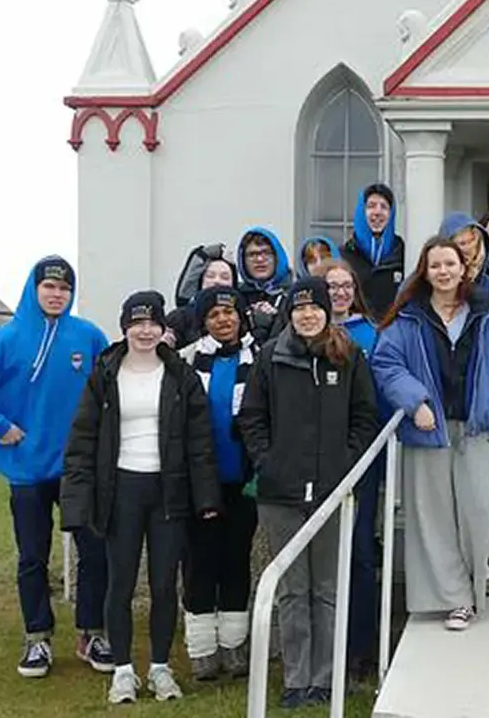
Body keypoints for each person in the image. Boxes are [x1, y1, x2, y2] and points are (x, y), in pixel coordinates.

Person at [0, 256, 113, 678]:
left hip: (77, 468)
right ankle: (37, 638)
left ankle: (92, 633)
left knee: (95, 552)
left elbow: (112, 386)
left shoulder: (88, 336)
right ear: (34, 289)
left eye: (65, 289)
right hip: (25, 469)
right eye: (50, 288)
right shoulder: (5, 341)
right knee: (32, 557)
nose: (57, 295)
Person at [61, 291, 221, 705]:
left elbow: (200, 442)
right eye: (137, 324)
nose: (145, 331)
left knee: (165, 584)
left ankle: (161, 668)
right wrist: (78, 500)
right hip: (121, 490)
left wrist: (205, 497)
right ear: (125, 328)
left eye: (152, 323)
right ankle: (123, 671)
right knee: (120, 583)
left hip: (168, 490)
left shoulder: (181, 376)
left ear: (163, 328)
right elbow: (82, 440)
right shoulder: (105, 374)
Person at [237, 277, 380, 708]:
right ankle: (297, 680)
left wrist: (345, 463)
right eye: (299, 308)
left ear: (326, 310)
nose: (307, 315)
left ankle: (326, 678)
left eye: (314, 307)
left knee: (327, 588)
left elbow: (364, 415)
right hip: (281, 494)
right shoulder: (270, 357)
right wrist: (268, 461)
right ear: (290, 312)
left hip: (334, 492)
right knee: (292, 590)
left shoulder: (348, 356)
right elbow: (252, 418)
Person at [371, 237, 489, 631]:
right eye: (435, 265)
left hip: (474, 428)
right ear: (426, 270)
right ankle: (455, 599)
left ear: (462, 268)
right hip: (428, 430)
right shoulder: (408, 318)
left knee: (482, 511)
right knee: (433, 517)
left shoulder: (484, 314)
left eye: (449, 264)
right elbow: (387, 364)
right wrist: (415, 401)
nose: (443, 272)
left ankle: (475, 580)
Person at [177, 286, 260, 681]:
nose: (223, 320)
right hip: (199, 480)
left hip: (242, 479)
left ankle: (233, 645)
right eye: (214, 315)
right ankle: (202, 649)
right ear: (203, 321)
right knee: (199, 561)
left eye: (229, 313)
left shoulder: (258, 358)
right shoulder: (188, 362)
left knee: (236, 560)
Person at [439, 211, 489, 573]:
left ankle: (483, 562)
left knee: (487, 495)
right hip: (440, 413)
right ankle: (455, 573)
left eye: (474, 247)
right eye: (461, 246)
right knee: (445, 501)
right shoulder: (424, 294)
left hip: (481, 411)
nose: (468, 255)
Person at [321, 257, 384, 676]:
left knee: (360, 551)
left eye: (346, 286)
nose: (340, 292)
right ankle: (322, 645)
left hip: (363, 458)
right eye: (332, 286)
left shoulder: (373, 334)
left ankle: (360, 646)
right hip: (315, 459)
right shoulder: (304, 332)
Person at [340, 183, 405, 321]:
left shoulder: (403, 254)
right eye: (371, 206)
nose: (377, 212)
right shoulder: (344, 255)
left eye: (384, 207)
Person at [163, 243, 237, 349]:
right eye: (210, 276)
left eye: (224, 277)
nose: (217, 281)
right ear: (201, 282)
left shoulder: (242, 317)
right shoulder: (179, 318)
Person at [237, 227, 294, 344]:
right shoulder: (237, 297)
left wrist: (276, 320)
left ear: (277, 257)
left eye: (266, 253)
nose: (259, 259)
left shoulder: (293, 295)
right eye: (252, 254)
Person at [440, 212, 489, 302]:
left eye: (470, 242)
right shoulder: (430, 279)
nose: (466, 249)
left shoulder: (488, 285)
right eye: (460, 244)